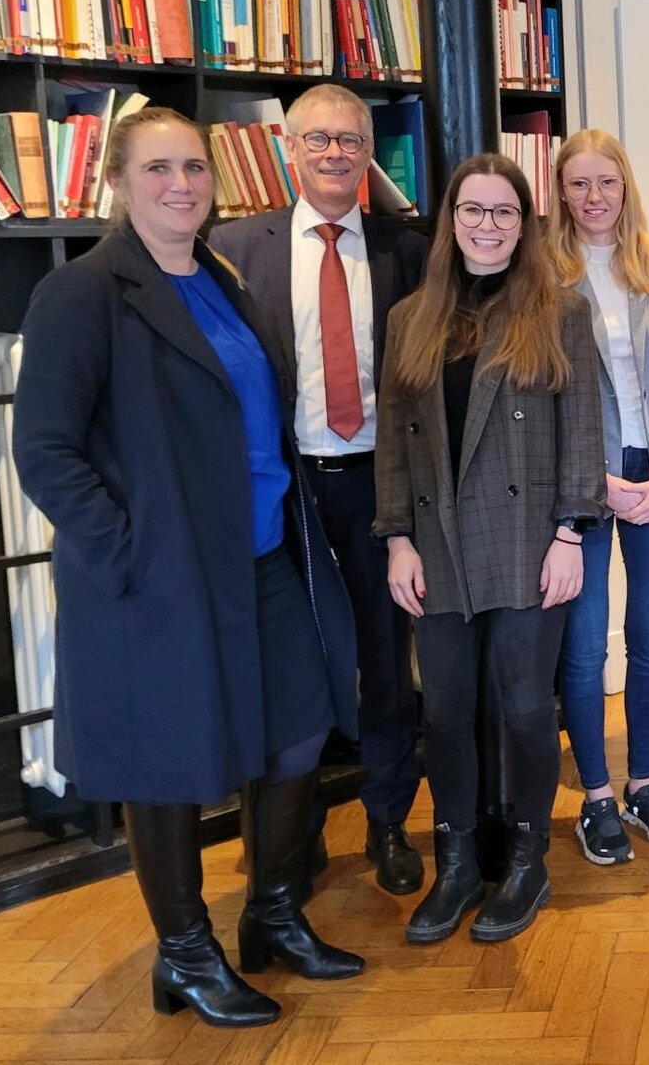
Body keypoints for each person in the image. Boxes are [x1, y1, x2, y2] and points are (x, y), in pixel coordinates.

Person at [13, 108, 363, 1030]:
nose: (182, 184)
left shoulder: (220, 276)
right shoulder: (82, 293)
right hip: (160, 574)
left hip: (261, 554)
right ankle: (185, 951)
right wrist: (130, 550)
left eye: (195, 167)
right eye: (158, 168)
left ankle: (273, 912)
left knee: (298, 731)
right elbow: (44, 450)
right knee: (165, 760)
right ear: (118, 183)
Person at [374, 154, 607, 944]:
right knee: (444, 711)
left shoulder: (559, 309)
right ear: (451, 221)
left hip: (529, 542)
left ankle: (528, 863)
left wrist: (571, 533)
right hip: (434, 546)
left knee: (525, 706)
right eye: (472, 210)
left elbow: (582, 431)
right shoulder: (411, 318)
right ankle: (459, 862)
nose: (488, 225)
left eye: (504, 211)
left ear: (524, 223)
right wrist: (397, 538)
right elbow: (395, 441)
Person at [210, 84, 431, 898]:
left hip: (382, 484)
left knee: (385, 659)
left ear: (369, 152)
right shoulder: (236, 249)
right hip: (288, 487)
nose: (336, 153)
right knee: (291, 663)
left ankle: (387, 822)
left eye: (350, 140)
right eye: (319, 139)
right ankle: (288, 841)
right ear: (289, 149)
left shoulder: (407, 250)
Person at [551, 130, 649, 863]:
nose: (594, 197)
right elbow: (540, 391)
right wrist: (596, 477)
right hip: (583, 481)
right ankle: (595, 797)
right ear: (561, 192)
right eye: (579, 183)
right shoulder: (542, 273)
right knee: (585, 647)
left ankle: (643, 783)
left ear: (626, 187)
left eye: (607, 182)